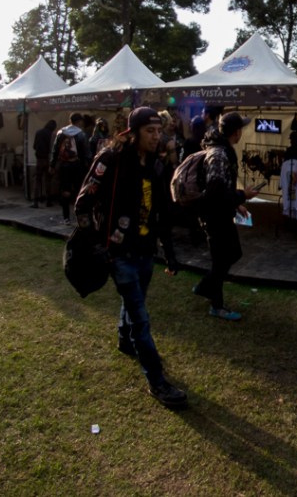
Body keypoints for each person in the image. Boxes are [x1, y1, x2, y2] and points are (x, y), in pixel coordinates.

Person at [74, 107, 187, 409]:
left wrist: (169, 252)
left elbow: (161, 212)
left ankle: (124, 339)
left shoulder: (156, 165)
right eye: (150, 131)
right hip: (118, 254)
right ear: (133, 132)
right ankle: (157, 381)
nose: (156, 136)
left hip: (145, 252)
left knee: (135, 302)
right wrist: (96, 244)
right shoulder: (110, 159)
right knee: (141, 319)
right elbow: (83, 203)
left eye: (158, 131)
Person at [193, 111, 259, 320]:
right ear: (236, 132)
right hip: (214, 217)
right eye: (241, 129)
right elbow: (215, 192)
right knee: (222, 259)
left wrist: (237, 203)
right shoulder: (219, 155)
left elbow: (222, 188)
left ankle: (206, 287)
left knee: (229, 255)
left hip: (219, 213)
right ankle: (216, 305)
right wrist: (242, 195)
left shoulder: (221, 150)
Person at [51, 112, 92, 225]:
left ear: (70, 121)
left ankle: (66, 217)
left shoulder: (61, 132)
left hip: (64, 165)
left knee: (65, 191)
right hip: (77, 165)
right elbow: (86, 153)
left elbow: (55, 150)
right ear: (80, 122)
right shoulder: (81, 134)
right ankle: (80, 216)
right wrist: (88, 166)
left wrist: (52, 165)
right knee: (79, 190)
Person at [32, 119, 57, 208]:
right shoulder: (52, 134)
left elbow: (34, 146)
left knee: (37, 180)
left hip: (39, 159)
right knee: (48, 180)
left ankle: (35, 201)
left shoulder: (38, 132)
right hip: (48, 159)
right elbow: (53, 149)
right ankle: (48, 201)